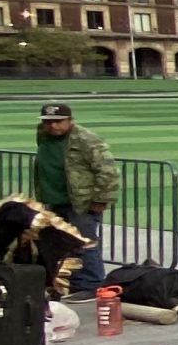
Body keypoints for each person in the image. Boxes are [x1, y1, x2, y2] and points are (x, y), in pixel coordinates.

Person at [31, 102, 116, 298]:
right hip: (54, 200)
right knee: (60, 242)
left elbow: (108, 171)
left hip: (81, 202)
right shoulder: (43, 135)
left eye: (58, 121)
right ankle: (70, 281)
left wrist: (101, 199)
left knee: (84, 243)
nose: (53, 126)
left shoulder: (86, 140)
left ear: (70, 121)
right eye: (48, 122)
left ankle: (91, 284)